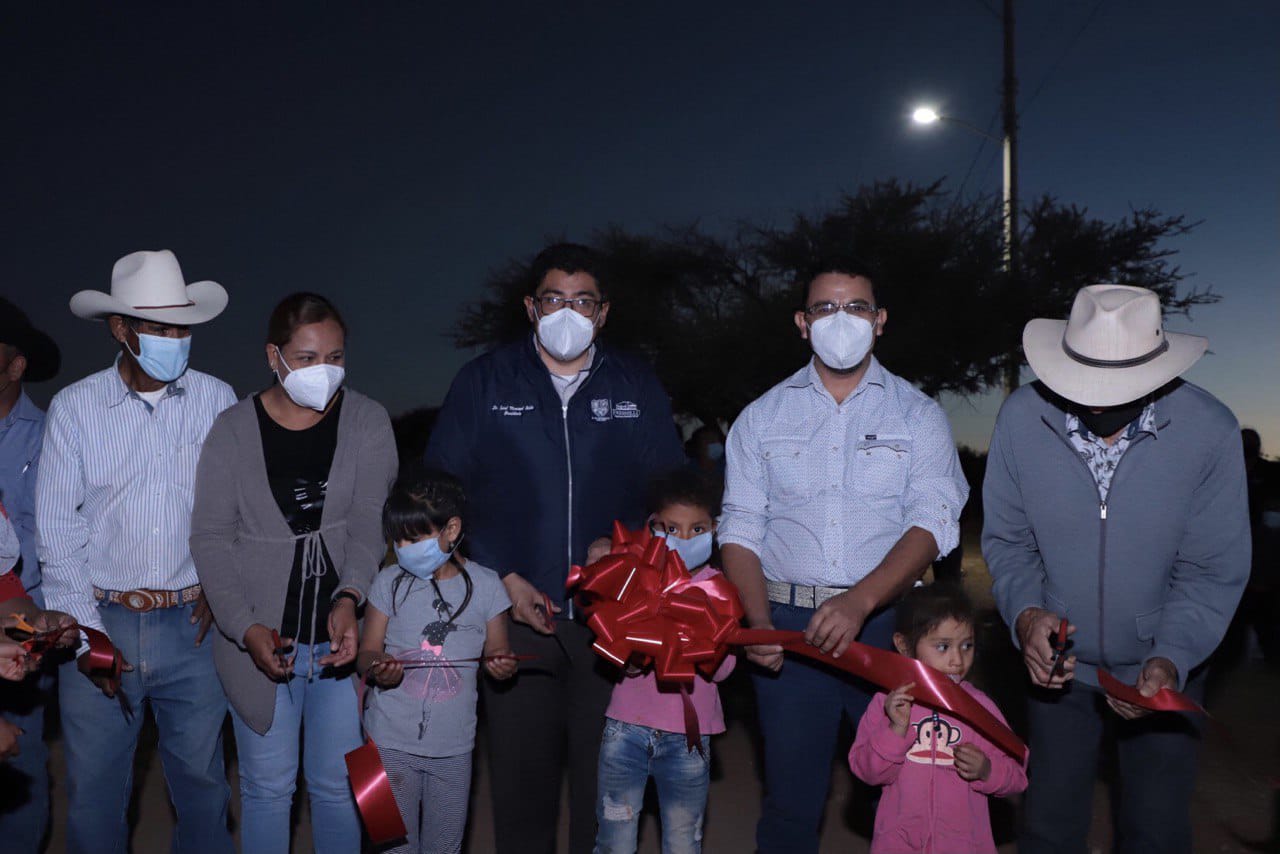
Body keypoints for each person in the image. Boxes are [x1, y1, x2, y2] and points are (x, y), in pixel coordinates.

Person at [425, 242, 686, 854]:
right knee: (520, 783)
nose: (567, 312)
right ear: (529, 306)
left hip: (611, 620)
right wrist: (498, 576)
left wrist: (625, 549)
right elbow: (439, 494)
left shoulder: (635, 384)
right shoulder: (484, 381)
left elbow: (674, 499)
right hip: (511, 613)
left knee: (607, 788)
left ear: (602, 313)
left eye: (583, 300)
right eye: (553, 299)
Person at [983, 284, 1250, 853]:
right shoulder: (1022, 419)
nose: (1100, 400)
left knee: (1155, 830)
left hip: (1163, 668)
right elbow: (1008, 539)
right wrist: (1027, 613)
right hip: (1056, 668)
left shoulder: (1210, 430)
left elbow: (1210, 568)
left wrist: (1170, 655)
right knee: (1048, 825)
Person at [719, 256, 968, 853]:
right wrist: (758, 625)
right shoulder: (762, 417)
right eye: (826, 308)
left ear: (879, 321)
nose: (841, 320)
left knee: (913, 787)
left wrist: (860, 601)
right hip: (786, 628)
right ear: (802, 323)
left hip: (886, 629)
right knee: (790, 798)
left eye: (856, 307)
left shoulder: (917, 415)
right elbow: (741, 526)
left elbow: (934, 520)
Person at [35, 249, 237, 853]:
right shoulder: (75, 409)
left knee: (203, 787)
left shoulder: (217, 398)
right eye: (158, 327)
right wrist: (90, 633)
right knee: (96, 794)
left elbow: (237, 511)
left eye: (182, 327)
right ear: (120, 329)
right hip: (102, 620)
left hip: (194, 629)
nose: (176, 339)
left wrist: (223, 593)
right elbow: (56, 529)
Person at [190, 292, 398, 853]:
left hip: (337, 641)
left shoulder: (368, 421)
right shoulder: (233, 430)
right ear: (273, 356)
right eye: (306, 358)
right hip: (262, 637)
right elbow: (210, 537)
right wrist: (243, 626)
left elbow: (366, 521)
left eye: (335, 356)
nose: (323, 371)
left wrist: (350, 596)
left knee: (336, 787)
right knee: (266, 788)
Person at [357, 466, 517, 854]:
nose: (403, 549)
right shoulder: (387, 582)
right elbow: (366, 654)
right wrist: (379, 668)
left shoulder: (487, 586)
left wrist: (501, 664)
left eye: (414, 538)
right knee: (389, 845)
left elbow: (499, 651)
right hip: (386, 743)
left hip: (454, 748)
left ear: (450, 529)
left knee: (445, 846)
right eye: (397, 540)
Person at [595, 469, 736, 854]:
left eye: (697, 529)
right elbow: (610, 648)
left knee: (683, 840)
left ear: (714, 530)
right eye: (672, 529)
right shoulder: (633, 579)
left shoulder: (719, 591)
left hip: (688, 740)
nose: (685, 539)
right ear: (653, 528)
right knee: (614, 840)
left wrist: (696, 640)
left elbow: (724, 669)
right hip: (625, 730)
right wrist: (633, 658)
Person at [849, 583, 1026, 853]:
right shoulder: (887, 703)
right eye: (943, 647)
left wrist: (988, 770)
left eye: (967, 645)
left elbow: (1017, 773)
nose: (957, 660)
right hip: (898, 845)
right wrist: (895, 732)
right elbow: (867, 772)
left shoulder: (979, 708)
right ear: (904, 646)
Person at [0, 297, 61, 850]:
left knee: (19, 749)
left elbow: (56, 543)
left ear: (16, 366)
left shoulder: (51, 440)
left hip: (23, 621)